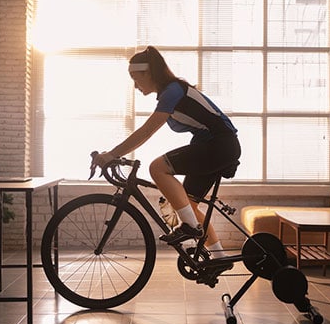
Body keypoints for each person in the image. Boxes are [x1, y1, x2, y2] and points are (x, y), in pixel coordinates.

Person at [92, 46, 240, 266]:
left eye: (135, 77)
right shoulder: (170, 92)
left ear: (148, 73)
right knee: (188, 204)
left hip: (219, 145)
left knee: (157, 168)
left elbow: (147, 131)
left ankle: (190, 228)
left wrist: (112, 154)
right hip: (217, 145)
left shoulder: (173, 91)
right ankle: (219, 259)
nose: (134, 85)